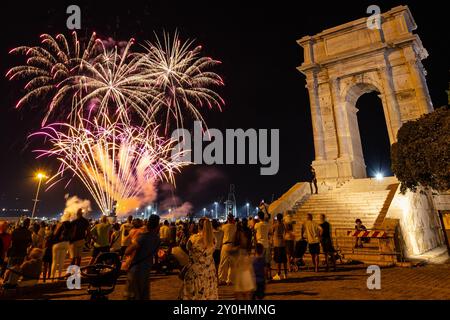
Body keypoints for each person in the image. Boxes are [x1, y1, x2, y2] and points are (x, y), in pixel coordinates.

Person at [124, 215, 161, 300]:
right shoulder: (157, 239)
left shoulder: (143, 237)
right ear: (157, 226)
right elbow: (155, 254)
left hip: (136, 270)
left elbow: (127, 251)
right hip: (147, 270)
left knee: (132, 296)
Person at [181, 218, 218, 300]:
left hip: (195, 271)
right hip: (209, 271)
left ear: (198, 226)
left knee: (194, 295)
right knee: (208, 294)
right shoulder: (213, 239)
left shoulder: (193, 238)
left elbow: (186, 247)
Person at [233, 219, 256, 300]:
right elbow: (249, 240)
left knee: (240, 283)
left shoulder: (239, 232)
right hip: (246, 253)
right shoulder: (248, 231)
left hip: (241, 255)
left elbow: (235, 243)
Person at [218, 214, 237, 285]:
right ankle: (230, 280)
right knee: (231, 264)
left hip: (225, 245)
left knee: (223, 263)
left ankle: (221, 278)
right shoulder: (235, 227)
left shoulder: (223, 227)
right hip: (232, 245)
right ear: (232, 219)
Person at [254, 212, 272, 280]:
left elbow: (254, 231)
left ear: (259, 217)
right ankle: (266, 275)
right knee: (266, 262)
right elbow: (270, 232)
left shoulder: (257, 225)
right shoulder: (267, 224)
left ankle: (260, 276)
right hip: (266, 244)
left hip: (259, 244)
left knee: (259, 261)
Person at [272, 213, 287, 280]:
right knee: (284, 260)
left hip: (277, 244)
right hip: (283, 244)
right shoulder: (283, 225)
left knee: (278, 260)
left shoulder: (275, 225)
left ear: (277, 218)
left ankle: (278, 274)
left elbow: (271, 231)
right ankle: (285, 274)